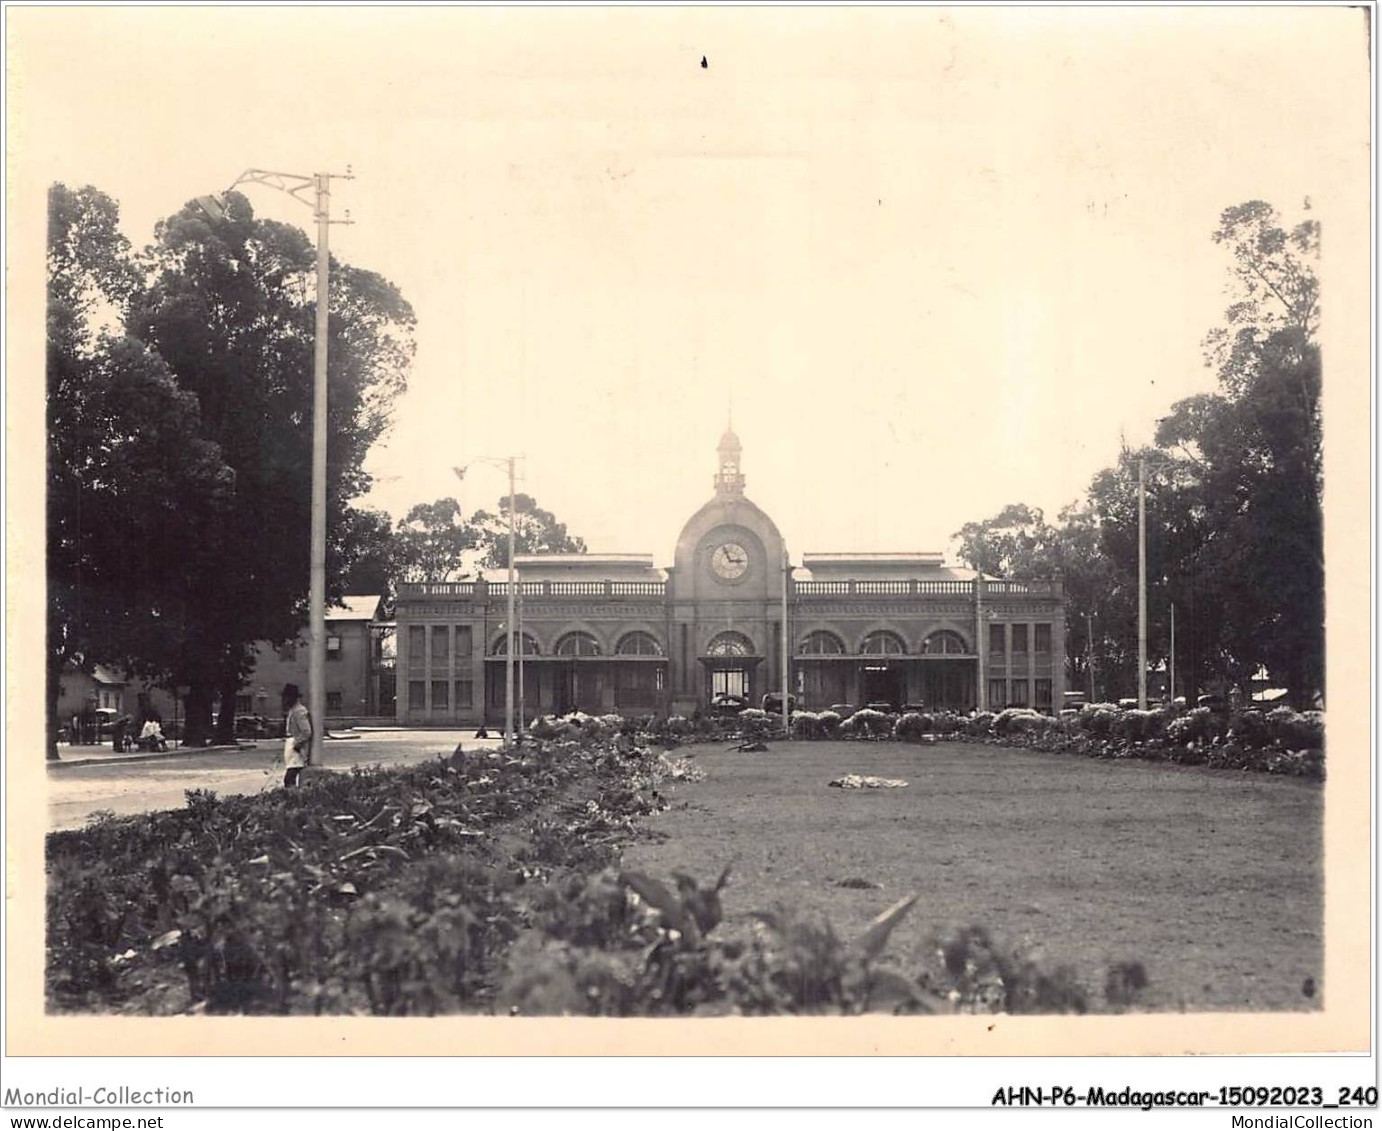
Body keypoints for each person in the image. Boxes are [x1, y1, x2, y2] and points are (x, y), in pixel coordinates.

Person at [281, 683, 312, 788]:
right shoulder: (293, 710)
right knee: (291, 776)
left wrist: (297, 744)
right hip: (292, 744)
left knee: (290, 778)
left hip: (296, 747)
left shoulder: (299, 711)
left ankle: (293, 797)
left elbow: (306, 731)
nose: (285, 700)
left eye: (287, 697)